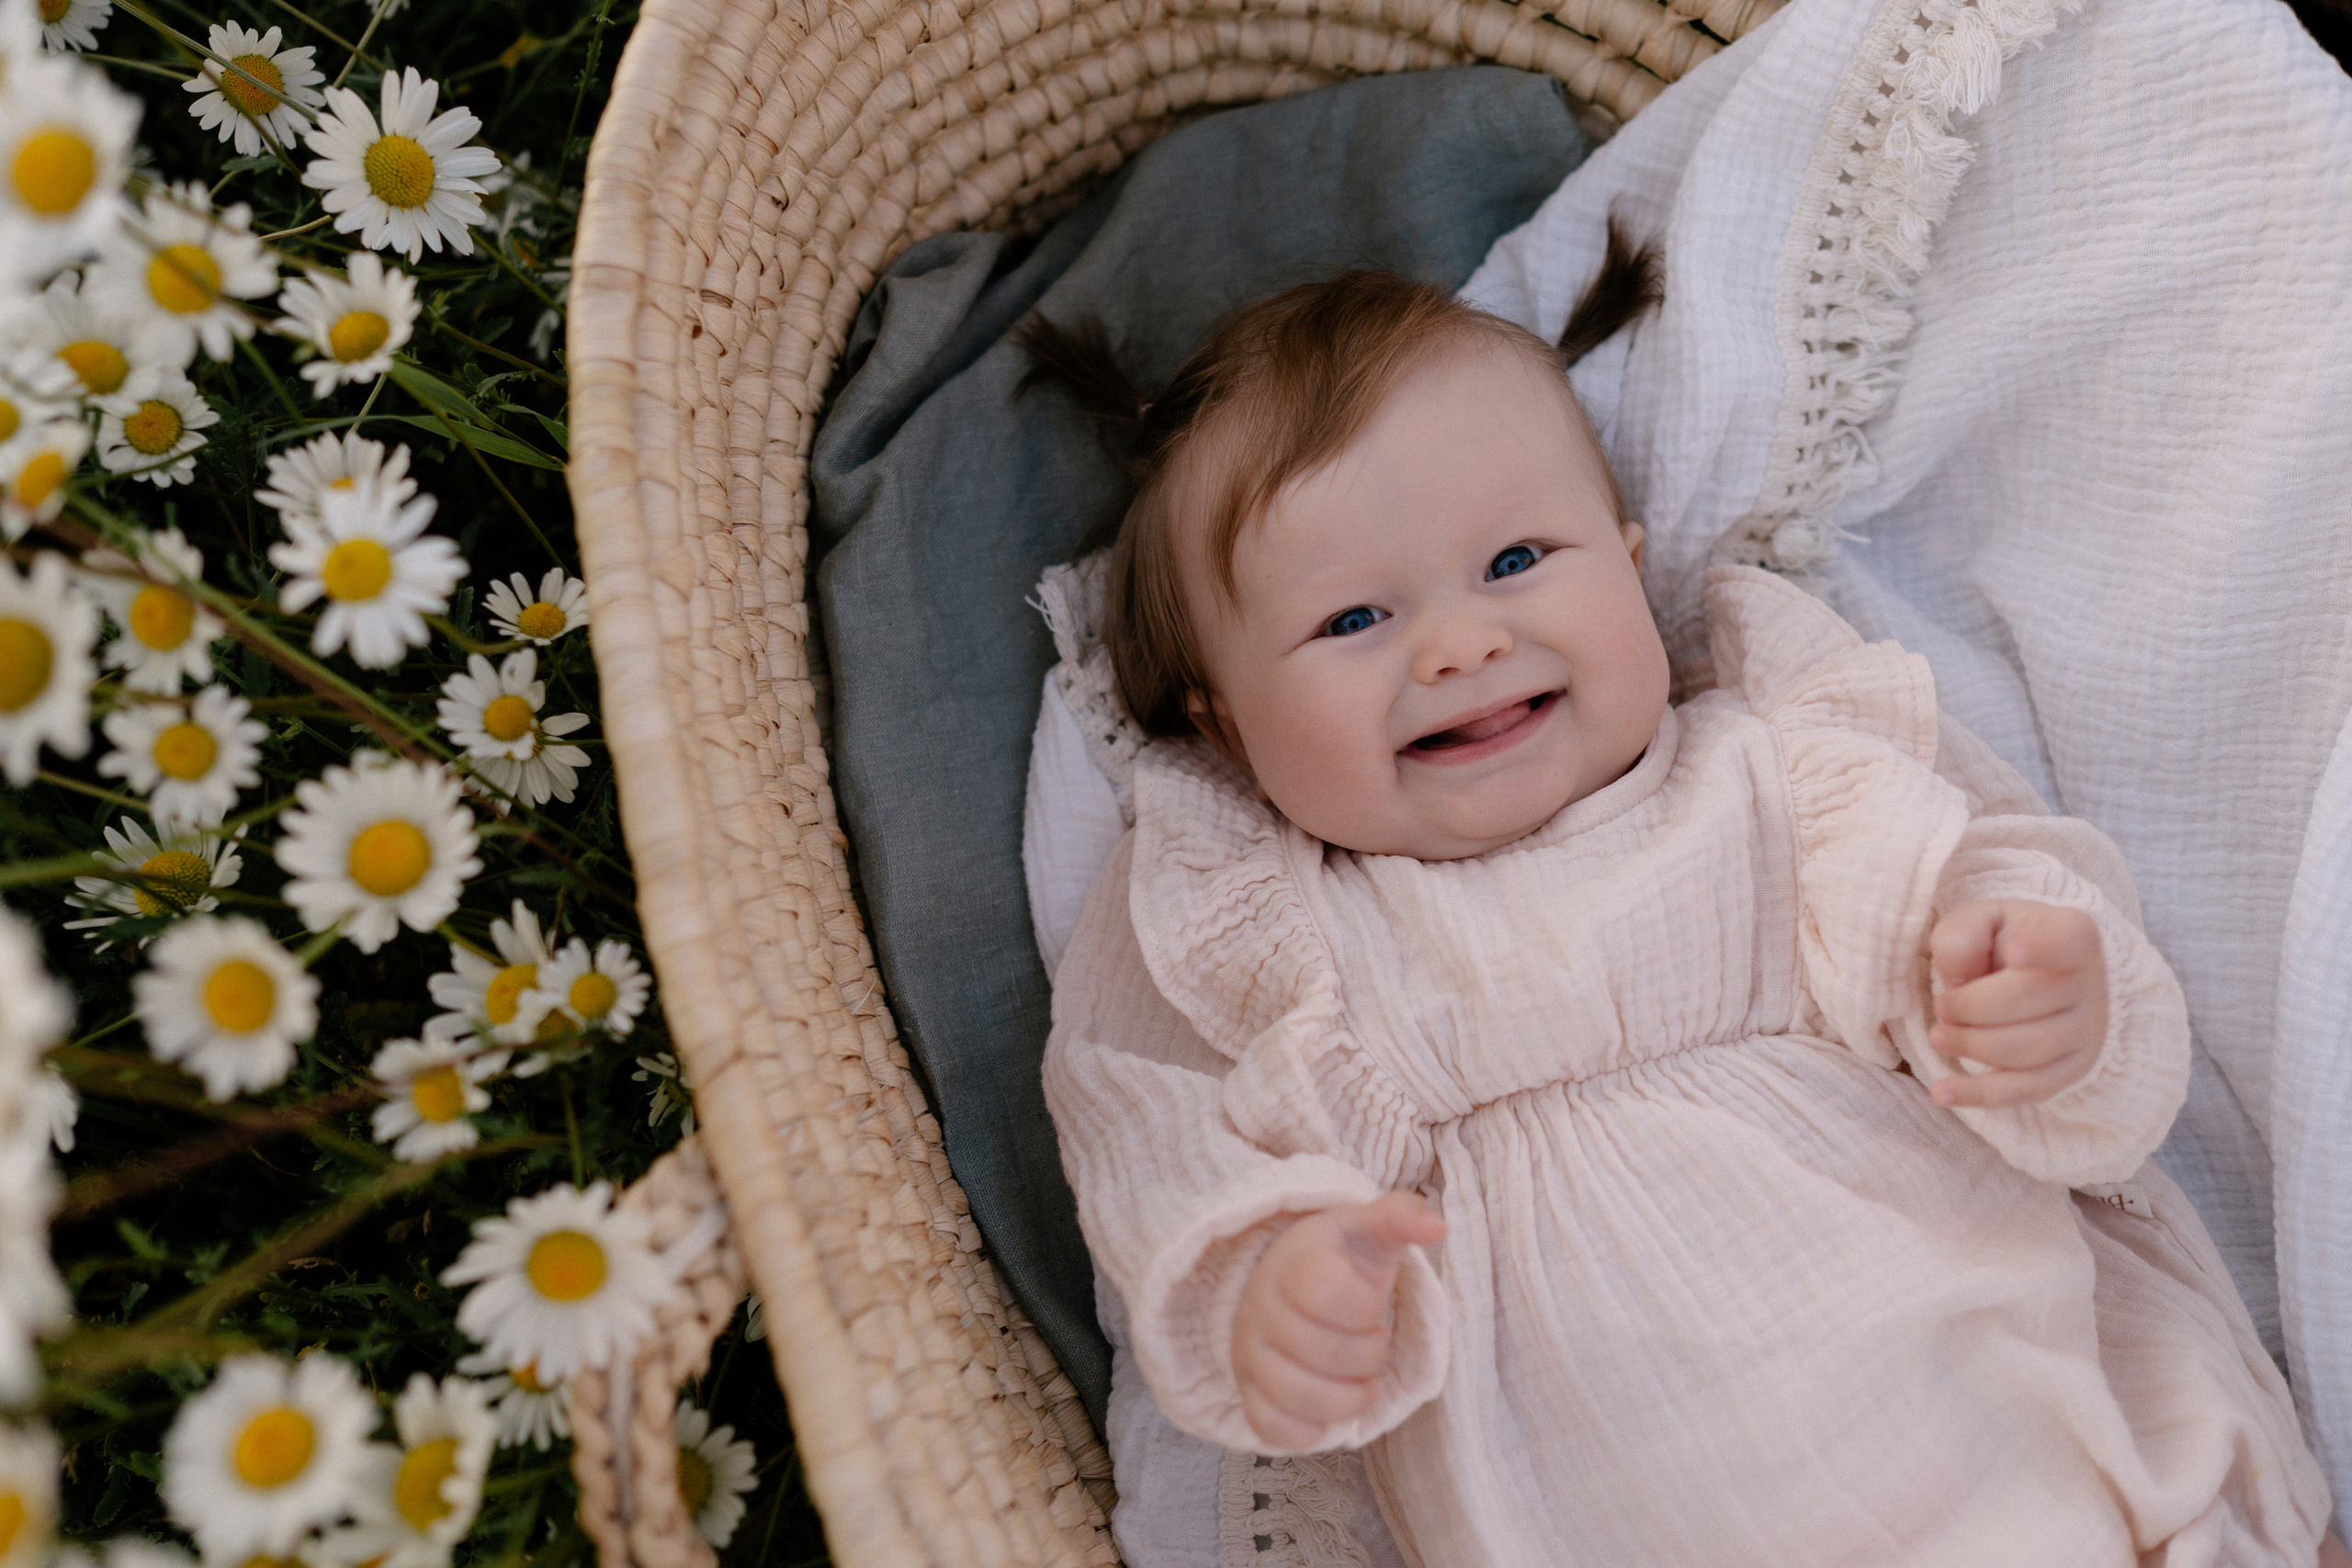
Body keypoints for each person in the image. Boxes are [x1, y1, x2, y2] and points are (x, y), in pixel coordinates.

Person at [1025, 238, 2341, 1567]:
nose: (1464, 642)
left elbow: (1985, 874)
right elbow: (1150, 1127)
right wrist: (1268, 1286)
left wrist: (2036, 987)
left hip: (1984, 1392)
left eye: (1517, 557)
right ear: (1227, 728)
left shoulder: (1775, 774)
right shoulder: (1246, 924)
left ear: (1631, 564)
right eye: (1355, 620)